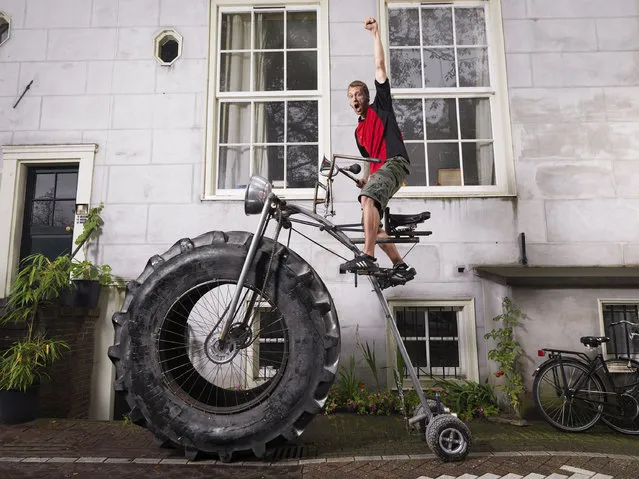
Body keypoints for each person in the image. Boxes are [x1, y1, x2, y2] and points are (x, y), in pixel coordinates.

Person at [339, 17, 416, 284]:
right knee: (371, 224)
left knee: (367, 198)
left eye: (359, 94)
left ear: (367, 97)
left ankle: (367, 256)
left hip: (396, 162)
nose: (355, 99)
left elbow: (379, 65)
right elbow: (371, 161)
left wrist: (375, 35)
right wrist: (367, 179)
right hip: (381, 169)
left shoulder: (381, 108)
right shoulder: (358, 132)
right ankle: (401, 266)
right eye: (350, 96)